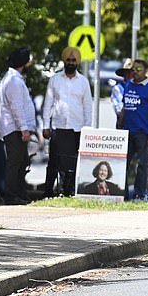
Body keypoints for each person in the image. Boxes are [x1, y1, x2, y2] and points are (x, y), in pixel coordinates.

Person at [41, 46, 92, 196]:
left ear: (78, 62)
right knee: (54, 162)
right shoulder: (55, 80)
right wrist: (45, 125)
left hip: (76, 129)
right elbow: (48, 104)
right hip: (58, 127)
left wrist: (87, 129)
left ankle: (68, 191)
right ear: (64, 61)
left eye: (73, 60)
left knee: (72, 162)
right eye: (68, 60)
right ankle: (48, 192)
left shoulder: (83, 82)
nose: (71, 63)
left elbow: (88, 107)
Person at [0, 47, 36, 205]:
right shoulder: (13, 81)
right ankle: (11, 195)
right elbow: (16, 108)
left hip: (17, 129)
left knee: (21, 162)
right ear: (23, 63)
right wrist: (24, 129)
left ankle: (20, 194)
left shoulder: (15, 79)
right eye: (28, 61)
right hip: (14, 130)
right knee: (15, 163)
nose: (30, 64)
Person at [119, 59, 148, 200]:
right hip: (127, 132)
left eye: (139, 70)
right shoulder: (128, 85)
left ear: (145, 71)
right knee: (123, 163)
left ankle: (139, 194)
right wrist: (120, 125)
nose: (135, 72)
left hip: (143, 132)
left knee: (142, 165)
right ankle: (122, 194)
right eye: (134, 69)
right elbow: (125, 107)